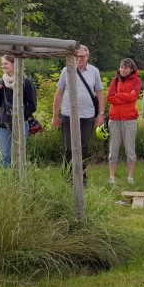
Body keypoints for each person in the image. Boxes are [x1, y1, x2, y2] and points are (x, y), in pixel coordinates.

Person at [52, 45, 104, 184]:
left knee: (84, 146)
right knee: (70, 147)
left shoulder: (94, 71)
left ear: (87, 57)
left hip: (88, 115)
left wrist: (101, 113)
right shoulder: (66, 70)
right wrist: (55, 116)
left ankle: (82, 175)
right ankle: (69, 176)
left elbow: (99, 92)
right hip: (68, 114)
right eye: (77, 56)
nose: (79, 58)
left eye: (82, 56)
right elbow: (59, 94)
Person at [0, 54, 37, 168]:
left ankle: (19, 182)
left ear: (14, 64)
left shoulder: (26, 81)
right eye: (2, 64)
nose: (3, 66)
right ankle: (6, 184)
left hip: (21, 123)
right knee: (5, 156)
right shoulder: (1, 81)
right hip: (3, 123)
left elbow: (33, 105)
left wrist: (21, 117)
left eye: (6, 63)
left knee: (19, 155)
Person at [107, 58, 142, 184]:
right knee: (113, 149)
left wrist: (118, 95)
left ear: (131, 69)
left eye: (126, 68)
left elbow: (134, 96)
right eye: (121, 67)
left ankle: (130, 177)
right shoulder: (115, 80)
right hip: (114, 119)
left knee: (130, 149)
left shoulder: (137, 81)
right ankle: (112, 177)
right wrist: (124, 97)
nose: (123, 70)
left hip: (129, 119)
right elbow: (110, 98)